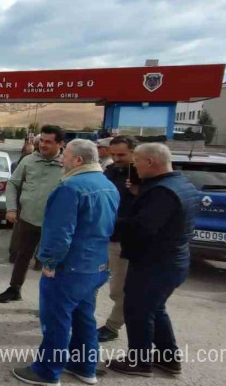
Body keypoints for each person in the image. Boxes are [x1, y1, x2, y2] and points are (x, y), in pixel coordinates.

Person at [11, 139, 119, 386]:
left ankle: (47, 371)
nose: (62, 159)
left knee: (56, 320)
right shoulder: (108, 185)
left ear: (78, 160)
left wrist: (49, 262)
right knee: (84, 318)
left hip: (68, 267)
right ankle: (84, 367)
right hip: (96, 265)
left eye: (66, 156)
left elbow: (60, 233)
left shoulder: (70, 188)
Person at [108, 143, 197, 377]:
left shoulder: (162, 192)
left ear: (149, 162)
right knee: (155, 308)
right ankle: (168, 358)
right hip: (171, 261)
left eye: (136, 160)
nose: (134, 165)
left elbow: (142, 227)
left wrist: (108, 223)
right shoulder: (180, 184)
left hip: (155, 263)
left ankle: (139, 361)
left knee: (137, 310)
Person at [0, 125, 65, 303]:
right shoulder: (28, 160)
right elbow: (12, 184)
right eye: (41, 140)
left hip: (55, 224)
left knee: (52, 263)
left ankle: (50, 301)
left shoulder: (68, 164)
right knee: (22, 256)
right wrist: (11, 208)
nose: (43, 145)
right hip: (27, 219)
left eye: (48, 142)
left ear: (60, 144)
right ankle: (14, 288)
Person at [96, 135, 138, 343]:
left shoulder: (143, 176)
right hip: (102, 235)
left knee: (118, 288)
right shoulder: (111, 171)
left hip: (122, 240)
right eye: (113, 154)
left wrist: (138, 191)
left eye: (122, 154)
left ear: (134, 152)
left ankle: (113, 326)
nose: (117, 158)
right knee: (91, 280)